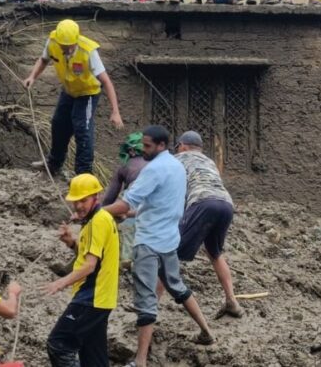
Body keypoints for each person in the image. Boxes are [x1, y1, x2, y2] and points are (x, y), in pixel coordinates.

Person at [104, 126, 215, 367]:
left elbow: (123, 203)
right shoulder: (177, 167)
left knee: (146, 301)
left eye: (147, 146)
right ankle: (206, 331)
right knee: (177, 286)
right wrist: (128, 214)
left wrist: (95, 213)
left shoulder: (153, 170)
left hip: (148, 243)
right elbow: (158, 205)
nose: (143, 150)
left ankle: (140, 361)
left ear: (162, 145)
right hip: (169, 240)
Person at [23, 19, 123, 175]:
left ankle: (83, 173)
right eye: (63, 46)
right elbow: (43, 60)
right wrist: (32, 77)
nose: (67, 49)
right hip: (69, 91)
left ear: (76, 40)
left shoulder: (88, 51)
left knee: (82, 129)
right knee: (58, 124)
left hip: (88, 93)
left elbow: (106, 81)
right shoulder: (52, 41)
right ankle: (54, 164)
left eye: (70, 46)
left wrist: (115, 111)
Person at [44, 174, 120, 367]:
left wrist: (61, 282)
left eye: (83, 200)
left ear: (97, 197)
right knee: (94, 358)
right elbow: (93, 256)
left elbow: (89, 266)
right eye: (75, 201)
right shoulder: (96, 220)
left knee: (58, 345)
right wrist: (71, 243)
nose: (78, 206)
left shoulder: (98, 222)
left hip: (91, 297)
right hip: (101, 299)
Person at [172, 131, 243, 320]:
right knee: (215, 253)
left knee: (170, 253)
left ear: (183, 146)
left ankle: (149, 304)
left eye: (177, 147)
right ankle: (231, 300)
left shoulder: (178, 159)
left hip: (202, 202)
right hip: (226, 204)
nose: (177, 150)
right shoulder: (209, 162)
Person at [102, 132, 148, 266]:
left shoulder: (126, 166)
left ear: (132, 151)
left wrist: (101, 210)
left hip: (134, 194)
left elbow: (110, 196)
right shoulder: (156, 163)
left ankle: (126, 258)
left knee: (127, 224)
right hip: (156, 200)